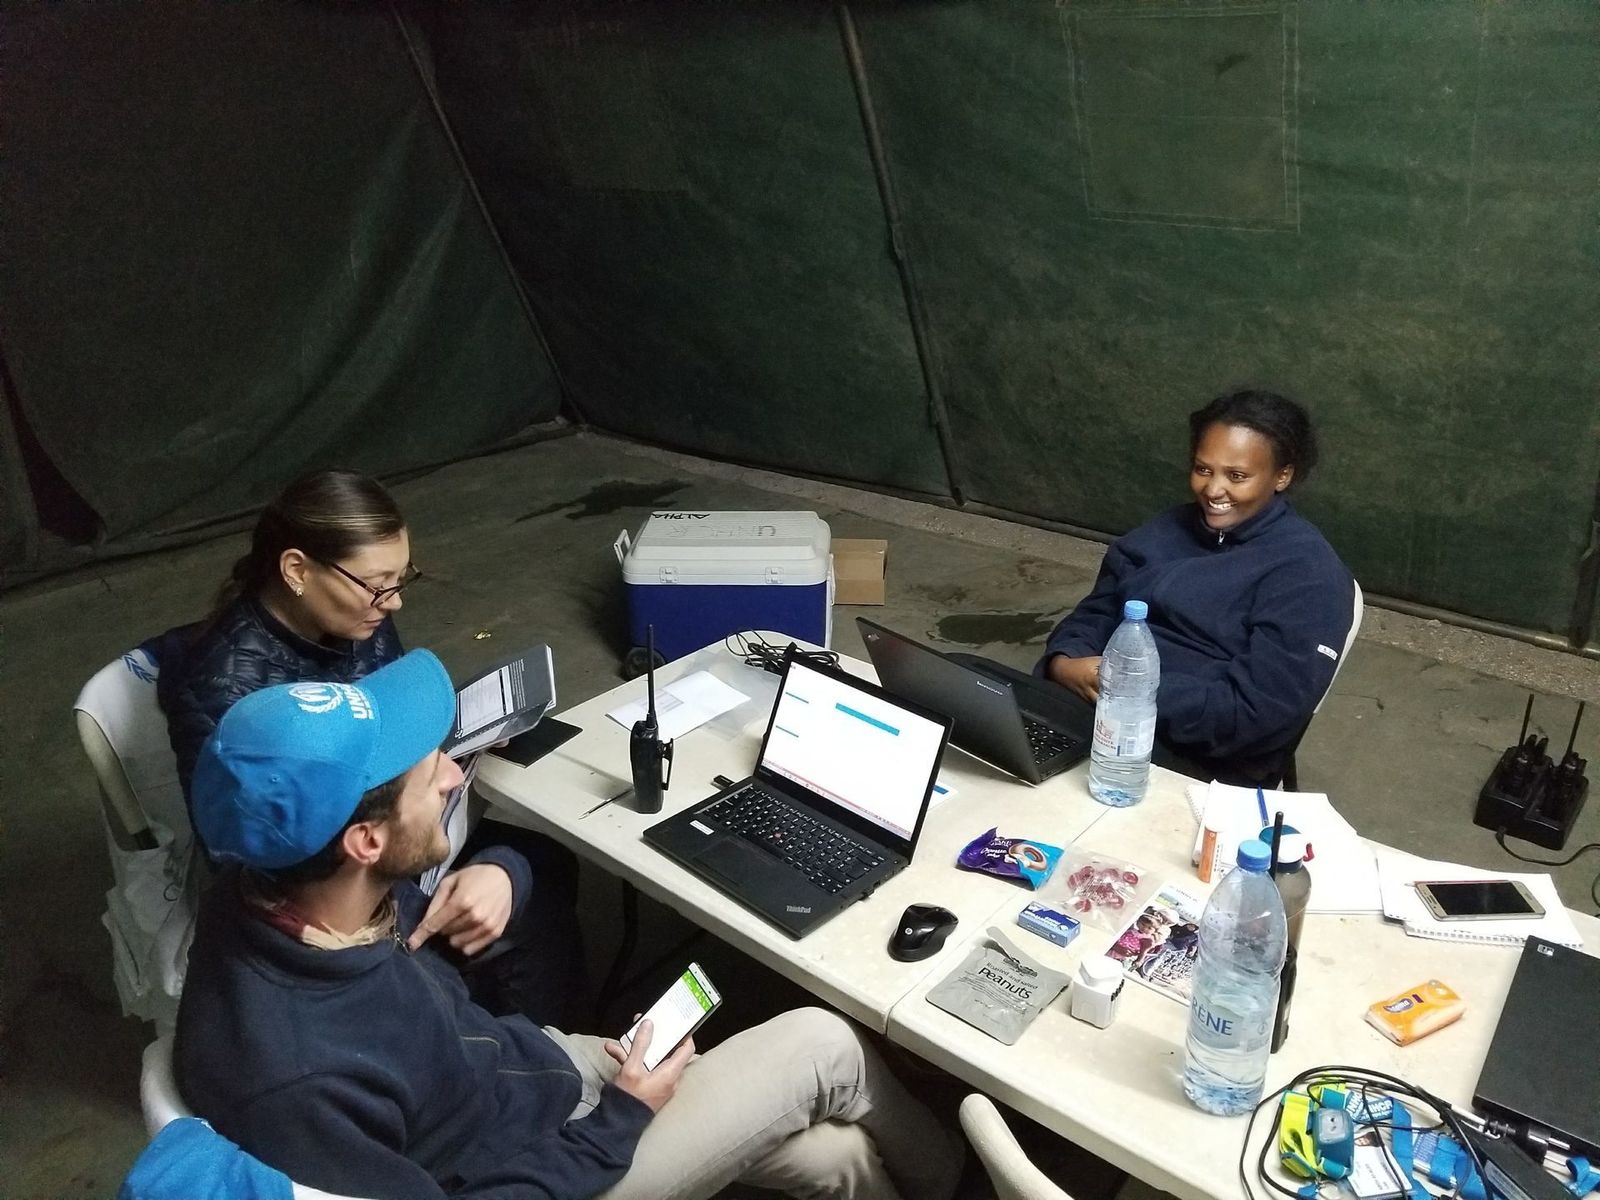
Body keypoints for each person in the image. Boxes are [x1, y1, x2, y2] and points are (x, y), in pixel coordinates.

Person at [175, 650, 962, 1200]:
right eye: (428, 774)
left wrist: (502, 869)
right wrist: (622, 1116)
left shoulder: (278, 888)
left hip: (527, 1079)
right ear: (365, 841)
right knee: (824, 1046)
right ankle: (963, 1180)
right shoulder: (295, 1082)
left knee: (835, 1158)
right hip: (540, 1171)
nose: (453, 773)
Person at [156, 467, 583, 1025]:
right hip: (344, 885)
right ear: (296, 570)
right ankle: (508, 1043)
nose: (394, 602)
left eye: (402, 579)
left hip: (388, 824)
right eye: (379, 583)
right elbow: (266, 866)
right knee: (529, 907)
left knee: (543, 856)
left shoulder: (357, 615)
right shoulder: (224, 695)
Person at [1038, 389, 1356, 786]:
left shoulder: (1308, 573)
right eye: (1203, 469)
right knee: (976, 700)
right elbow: (1097, 611)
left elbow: (1258, 714)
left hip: (1198, 759)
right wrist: (1064, 661)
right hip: (1099, 709)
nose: (1213, 490)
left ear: (1282, 476)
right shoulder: (1163, 531)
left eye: (1237, 476)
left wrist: (1129, 690)